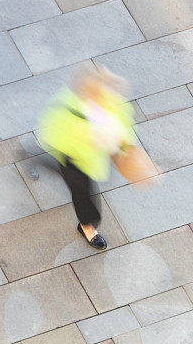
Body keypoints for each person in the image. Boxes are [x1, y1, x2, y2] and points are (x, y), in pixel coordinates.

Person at [39, 67, 135, 250]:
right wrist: (93, 138)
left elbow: (124, 122)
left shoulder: (111, 101)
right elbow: (56, 134)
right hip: (74, 160)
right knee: (83, 194)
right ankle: (87, 226)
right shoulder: (66, 106)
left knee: (78, 185)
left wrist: (124, 145)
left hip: (93, 158)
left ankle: (41, 161)